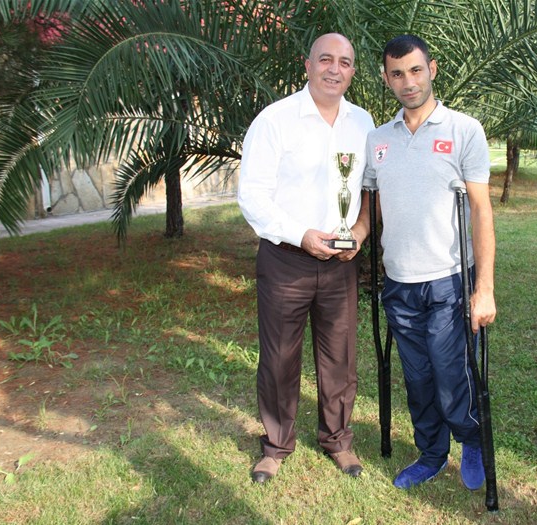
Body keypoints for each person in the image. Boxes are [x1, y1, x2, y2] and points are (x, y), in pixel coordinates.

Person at [360, 34, 496, 491]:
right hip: (399, 282)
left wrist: (484, 288)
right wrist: (356, 234)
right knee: (417, 379)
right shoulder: (378, 139)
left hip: (449, 280)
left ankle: (471, 439)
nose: (409, 82)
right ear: (386, 79)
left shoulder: (464, 130)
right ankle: (432, 453)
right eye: (397, 74)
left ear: (432, 69)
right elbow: (372, 206)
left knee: (450, 374)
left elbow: (481, 210)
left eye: (416, 70)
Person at [237, 33, 375, 484]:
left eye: (345, 62)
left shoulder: (363, 123)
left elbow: (370, 189)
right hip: (286, 259)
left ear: (352, 71)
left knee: (340, 357)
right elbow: (252, 196)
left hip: (341, 263)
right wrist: (301, 235)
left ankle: (338, 441)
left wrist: (359, 232)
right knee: (279, 356)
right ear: (308, 65)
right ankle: (276, 446)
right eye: (326, 60)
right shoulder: (275, 120)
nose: (335, 69)